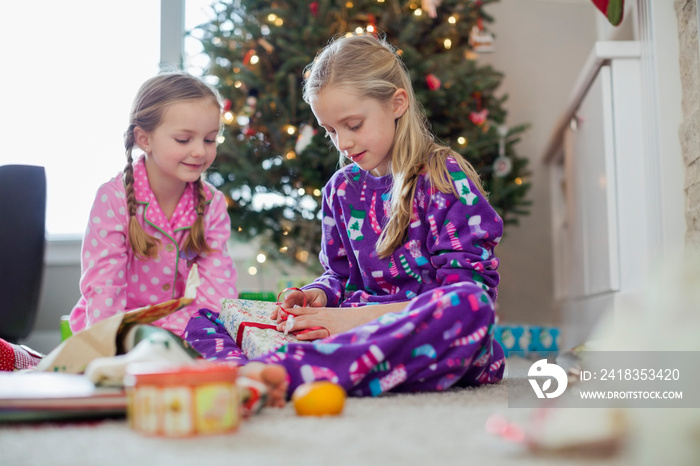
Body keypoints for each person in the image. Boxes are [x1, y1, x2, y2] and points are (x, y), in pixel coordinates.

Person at [186, 33, 505, 407]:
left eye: (353, 125)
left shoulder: (443, 177)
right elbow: (337, 275)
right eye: (331, 131)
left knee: (470, 305)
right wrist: (315, 295)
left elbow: (469, 292)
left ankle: (290, 371)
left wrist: (347, 322)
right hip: (341, 333)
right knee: (204, 318)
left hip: (421, 340)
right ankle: (254, 375)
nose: (343, 144)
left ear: (397, 103)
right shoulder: (340, 189)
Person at [68, 70, 238, 340]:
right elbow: (104, 292)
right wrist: (118, 342)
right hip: (111, 331)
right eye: (183, 139)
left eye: (209, 139)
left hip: (180, 332)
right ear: (144, 139)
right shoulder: (113, 199)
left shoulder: (212, 204)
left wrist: (174, 334)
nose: (200, 151)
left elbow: (217, 295)